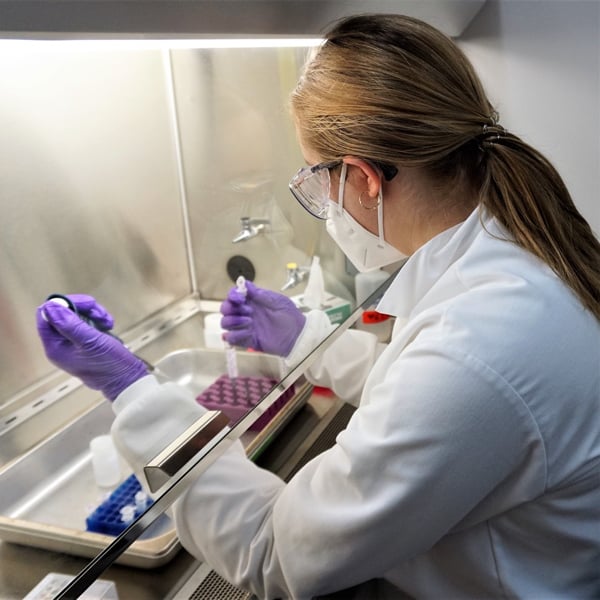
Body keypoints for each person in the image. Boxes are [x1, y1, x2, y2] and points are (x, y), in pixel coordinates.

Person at [36, 14, 599, 599]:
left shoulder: (480, 343)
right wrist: (302, 338)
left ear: (363, 178)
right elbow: (429, 395)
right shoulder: (516, 251)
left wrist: (133, 392)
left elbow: (276, 552)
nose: (324, 203)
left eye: (317, 179)